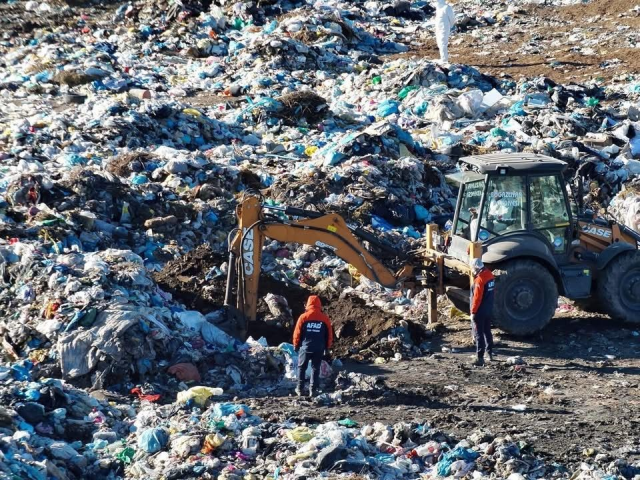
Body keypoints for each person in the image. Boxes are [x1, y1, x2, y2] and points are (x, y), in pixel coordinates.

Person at [293, 295, 333, 397]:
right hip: (319, 348)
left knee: (301, 368)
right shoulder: (324, 318)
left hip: (305, 347)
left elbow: (297, 333)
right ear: (319, 305)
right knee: (316, 368)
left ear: (308, 304)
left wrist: (296, 344)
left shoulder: (303, 317)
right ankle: (313, 390)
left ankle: (299, 389)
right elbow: (329, 334)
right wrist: (327, 347)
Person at [470, 258, 495, 366]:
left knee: (479, 333)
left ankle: (479, 357)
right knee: (487, 331)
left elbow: (477, 298)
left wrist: (473, 312)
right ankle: (489, 353)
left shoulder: (480, 279)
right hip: (488, 309)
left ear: (475, 267)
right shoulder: (490, 275)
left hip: (480, 310)